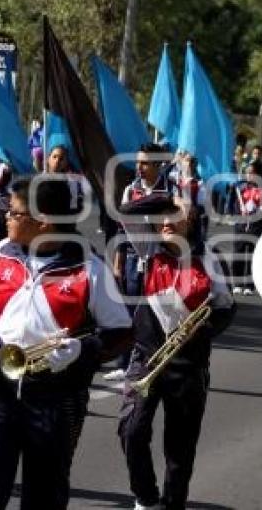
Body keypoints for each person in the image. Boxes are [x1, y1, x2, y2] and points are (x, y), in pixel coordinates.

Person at [0, 178, 132, 509]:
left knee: (44, 495)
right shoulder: (0, 253)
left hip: (56, 401)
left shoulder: (89, 268)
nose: (6, 217)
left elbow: (122, 333)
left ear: (44, 222)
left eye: (14, 212)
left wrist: (84, 351)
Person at [117, 194, 235, 510]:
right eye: (162, 216)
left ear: (191, 221)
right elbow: (127, 211)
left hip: (189, 365)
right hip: (147, 357)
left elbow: (225, 307)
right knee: (132, 431)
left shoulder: (210, 257)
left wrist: (204, 330)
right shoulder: (147, 247)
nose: (166, 222)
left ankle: (173, 504)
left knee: (180, 448)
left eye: (176, 216)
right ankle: (146, 497)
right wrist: (167, 199)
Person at [109, 143, 176, 381]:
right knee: (128, 310)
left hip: (160, 261)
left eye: (145, 163)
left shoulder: (171, 191)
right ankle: (124, 362)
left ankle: (151, 360)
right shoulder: (131, 190)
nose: (140, 167)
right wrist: (118, 264)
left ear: (158, 165)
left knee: (154, 312)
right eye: (138, 162)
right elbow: (121, 230)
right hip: (132, 260)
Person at [231, 160, 262, 295]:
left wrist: (255, 215)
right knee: (238, 253)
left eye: (252, 173)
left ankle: (249, 285)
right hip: (241, 226)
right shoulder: (241, 187)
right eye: (247, 173)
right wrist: (240, 212)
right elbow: (235, 204)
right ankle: (237, 283)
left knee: (253, 256)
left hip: (255, 226)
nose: (249, 175)